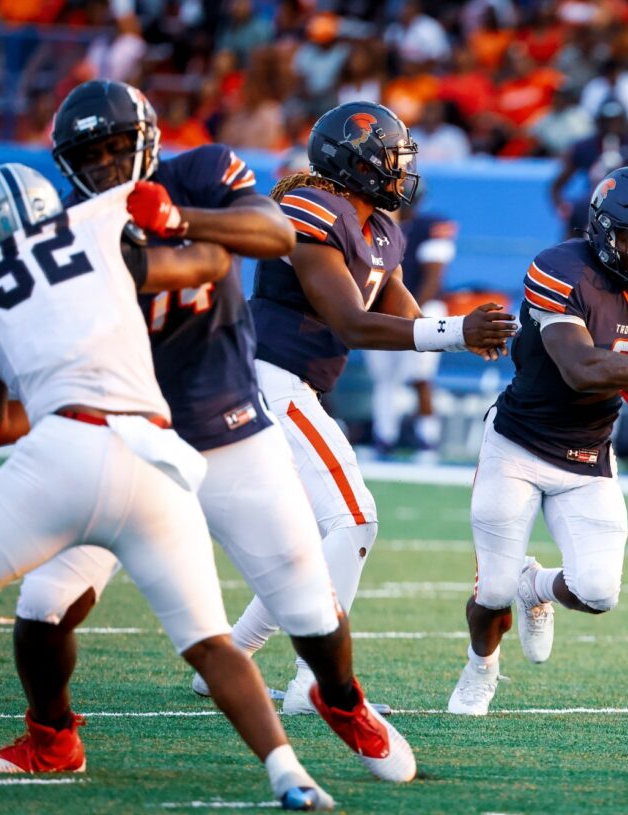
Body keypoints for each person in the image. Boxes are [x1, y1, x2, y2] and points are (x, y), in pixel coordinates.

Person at [0, 80, 416, 784]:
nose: (106, 165)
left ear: (148, 142)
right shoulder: (65, 233)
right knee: (42, 609)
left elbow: (272, 232)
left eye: (116, 147)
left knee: (308, 602)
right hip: (122, 439)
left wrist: (177, 213)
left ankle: (343, 700)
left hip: (225, 425)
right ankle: (51, 736)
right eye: (90, 155)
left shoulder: (197, 172)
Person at [0, 164, 331, 810]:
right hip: (157, 455)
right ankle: (292, 774)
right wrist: (176, 225)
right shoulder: (98, 232)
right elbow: (207, 262)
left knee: (40, 608)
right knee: (210, 640)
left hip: (64, 449)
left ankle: (52, 738)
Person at [238, 101, 516, 701]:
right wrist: (455, 331)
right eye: (390, 159)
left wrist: (480, 333)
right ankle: (314, 681)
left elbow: (407, 320)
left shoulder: (381, 229)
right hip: (269, 379)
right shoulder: (312, 212)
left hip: (293, 385)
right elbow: (352, 323)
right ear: (354, 163)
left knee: (311, 539)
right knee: (354, 519)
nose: (400, 171)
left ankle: (230, 657)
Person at [447, 166, 628, 716]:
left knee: (599, 591)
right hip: (518, 444)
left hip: (590, 453)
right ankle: (480, 670)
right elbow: (582, 369)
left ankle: (535, 588)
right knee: (490, 591)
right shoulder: (561, 269)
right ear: (604, 231)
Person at [364, 186, 459, 460]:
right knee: (384, 378)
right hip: (382, 310)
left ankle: (427, 439)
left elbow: (433, 277)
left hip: (423, 309)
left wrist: (408, 311)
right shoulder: (375, 225)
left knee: (419, 376)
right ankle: (384, 437)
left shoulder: (430, 226)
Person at [549, 98, 628, 239]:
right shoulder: (585, 147)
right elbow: (557, 185)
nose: (611, 127)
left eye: (616, 122)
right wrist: (563, 207)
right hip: (594, 203)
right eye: (607, 122)